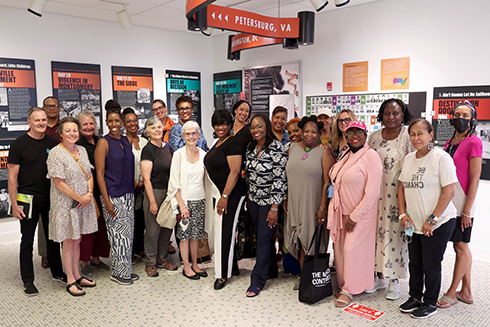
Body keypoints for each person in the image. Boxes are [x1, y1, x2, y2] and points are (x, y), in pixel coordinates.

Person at [398, 118, 457, 319]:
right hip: (414, 223)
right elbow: (401, 187)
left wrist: (432, 220)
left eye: (421, 133)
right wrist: (402, 214)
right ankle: (415, 297)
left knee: (430, 264)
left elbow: (449, 192)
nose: (416, 138)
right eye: (413, 134)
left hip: (439, 222)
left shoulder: (441, 158)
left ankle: (430, 302)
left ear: (430, 135)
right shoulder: (408, 159)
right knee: (415, 263)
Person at [7, 107, 65, 296]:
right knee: (27, 240)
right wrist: (14, 204)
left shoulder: (52, 143)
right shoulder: (18, 144)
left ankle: (57, 272)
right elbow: (12, 177)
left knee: (53, 238)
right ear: (29, 122)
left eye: (43, 120)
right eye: (37, 120)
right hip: (26, 198)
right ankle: (28, 280)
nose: (41, 123)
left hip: (49, 197)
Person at [327, 120, 382, 308]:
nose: (354, 136)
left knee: (352, 250)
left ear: (366, 135)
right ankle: (345, 285)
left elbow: (373, 193)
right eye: (350, 133)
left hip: (359, 215)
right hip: (340, 213)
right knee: (340, 251)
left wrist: (355, 215)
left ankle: (349, 290)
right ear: (345, 136)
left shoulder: (371, 156)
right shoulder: (346, 154)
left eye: (359, 132)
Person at [367, 98, 414, 300]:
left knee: (395, 236)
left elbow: (413, 165)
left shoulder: (408, 136)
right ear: (381, 115)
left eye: (395, 113)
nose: (391, 117)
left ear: (403, 114)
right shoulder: (373, 137)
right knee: (375, 235)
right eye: (387, 113)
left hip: (398, 195)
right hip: (375, 195)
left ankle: (394, 280)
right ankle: (379, 276)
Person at [437, 101, 482, 308]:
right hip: (450, 202)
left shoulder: (474, 142)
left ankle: (452, 292)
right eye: (457, 114)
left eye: (465, 115)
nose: (461, 119)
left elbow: (475, 179)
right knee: (460, 246)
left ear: (472, 119)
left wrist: (467, 211)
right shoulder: (449, 141)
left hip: (463, 203)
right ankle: (466, 291)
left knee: (460, 245)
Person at [47, 117, 98, 296]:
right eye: (67, 130)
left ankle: (77, 274)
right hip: (66, 204)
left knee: (78, 239)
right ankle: (69, 279)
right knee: (68, 241)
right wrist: (80, 198)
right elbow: (59, 183)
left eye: (75, 130)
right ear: (60, 133)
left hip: (83, 202)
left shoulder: (82, 150)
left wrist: (89, 194)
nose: (72, 133)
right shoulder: (55, 153)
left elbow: (89, 174)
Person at [284, 116, 335, 290]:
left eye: (314, 131)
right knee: (299, 241)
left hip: (313, 204)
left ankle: (314, 278)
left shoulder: (324, 152)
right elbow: (286, 177)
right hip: (294, 202)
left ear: (319, 133)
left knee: (312, 240)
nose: (310, 134)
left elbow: (328, 183)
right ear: (301, 132)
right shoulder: (291, 148)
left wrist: (323, 207)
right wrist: (285, 198)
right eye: (306, 130)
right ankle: (304, 275)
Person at [244, 114, 288, 297]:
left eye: (260, 127)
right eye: (253, 127)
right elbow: (248, 174)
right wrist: (248, 196)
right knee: (263, 237)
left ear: (267, 127)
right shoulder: (250, 146)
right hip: (254, 200)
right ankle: (270, 270)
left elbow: (280, 179)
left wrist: (274, 207)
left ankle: (257, 281)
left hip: (269, 203)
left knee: (263, 239)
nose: (256, 130)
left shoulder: (276, 148)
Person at [94, 108, 139, 285]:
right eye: (110, 121)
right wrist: (106, 200)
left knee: (128, 234)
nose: (114, 124)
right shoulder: (103, 143)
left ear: (121, 123)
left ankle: (124, 269)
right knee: (118, 235)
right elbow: (99, 173)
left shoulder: (125, 140)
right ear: (106, 123)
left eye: (117, 121)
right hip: (112, 194)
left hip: (128, 193)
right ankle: (118, 273)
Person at [204, 110, 247, 290]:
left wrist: (225, 196)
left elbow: (235, 172)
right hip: (221, 193)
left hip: (231, 194)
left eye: (224, 124)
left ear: (230, 124)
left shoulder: (233, 143)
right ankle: (232, 266)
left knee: (224, 233)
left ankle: (222, 275)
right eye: (217, 124)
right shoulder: (218, 142)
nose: (220, 127)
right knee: (224, 231)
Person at [167, 121, 208, 280]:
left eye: (194, 133)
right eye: (187, 134)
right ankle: (186, 266)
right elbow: (174, 182)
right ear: (183, 136)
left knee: (196, 236)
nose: (191, 136)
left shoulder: (203, 154)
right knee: (184, 237)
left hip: (200, 199)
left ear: (199, 135)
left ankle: (195, 265)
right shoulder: (178, 155)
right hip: (184, 202)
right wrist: (182, 206)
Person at [140, 117, 178, 277]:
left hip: (168, 193)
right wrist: (153, 202)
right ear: (147, 132)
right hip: (153, 193)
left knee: (166, 228)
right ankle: (150, 262)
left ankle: (163, 259)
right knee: (153, 231)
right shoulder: (147, 150)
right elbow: (146, 179)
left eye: (159, 127)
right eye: (153, 128)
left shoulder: (167, 147)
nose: (157, 130)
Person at [77, 111, 111, 276]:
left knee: (101, 227)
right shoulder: (77, 144)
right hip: (86, 192)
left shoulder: (100, 141)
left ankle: (96, 259)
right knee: (88, 228)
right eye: (85, 124)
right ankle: (84, 262)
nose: (89, 127)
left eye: (91, 124)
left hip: (102, 189)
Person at [122, 108, 148, 264]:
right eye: (129, 121)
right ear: (124, 124)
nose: (133, 124)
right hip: (127, 187)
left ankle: (139, 248)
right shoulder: (122, 141)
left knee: (141, 218)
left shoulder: (144, 141)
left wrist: (143, 183)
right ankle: (129, 251)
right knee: (129, 219)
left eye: (135, 120)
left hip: (144, 186)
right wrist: (133, 183)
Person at [38, 96, 62, 269]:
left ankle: (64, 251)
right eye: (48, 106)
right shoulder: (39, 128)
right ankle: (45, 254)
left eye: (55, 106)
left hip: (63, 179)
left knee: (63, 216)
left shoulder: (65, 126)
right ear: (43, 108)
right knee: (44, 218)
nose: (52, 108)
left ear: (59, 108)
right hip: (43, 178)